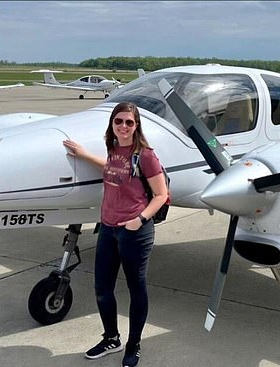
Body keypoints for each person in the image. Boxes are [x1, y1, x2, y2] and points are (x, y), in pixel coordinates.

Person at [63, 102, 168, 367]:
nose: (123, 127)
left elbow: (161, 194)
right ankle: (111, 338)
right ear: (112, 124)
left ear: (136, 126)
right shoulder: (114, 149)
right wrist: (85, 155)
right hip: (108, 229)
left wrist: (139, 219)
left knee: (136, 289)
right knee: (102, 288)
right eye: (118, 121)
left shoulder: (145, 155)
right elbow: (111, 169)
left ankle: (134, 345)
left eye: (129, 123)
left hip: (134, 231)